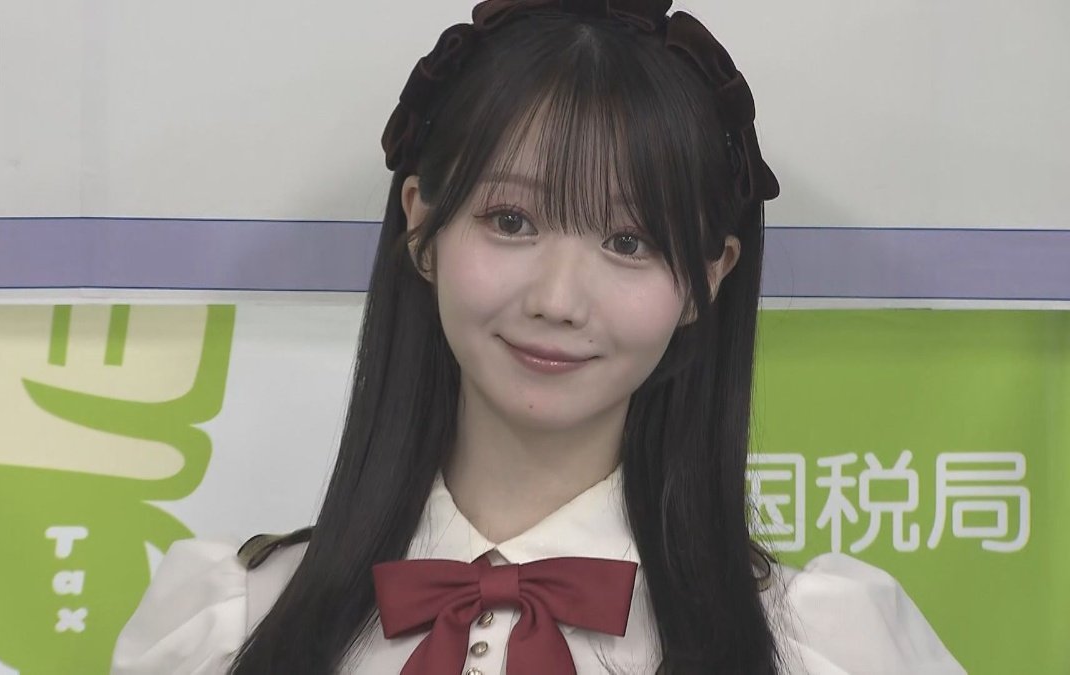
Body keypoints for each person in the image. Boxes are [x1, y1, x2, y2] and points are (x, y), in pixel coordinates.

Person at [111, 1, 967, 673]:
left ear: (709, 279)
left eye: (628, 241)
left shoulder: (824, 648)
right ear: (421, 226)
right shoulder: (234, 622)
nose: (558, 299)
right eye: (511, 220)